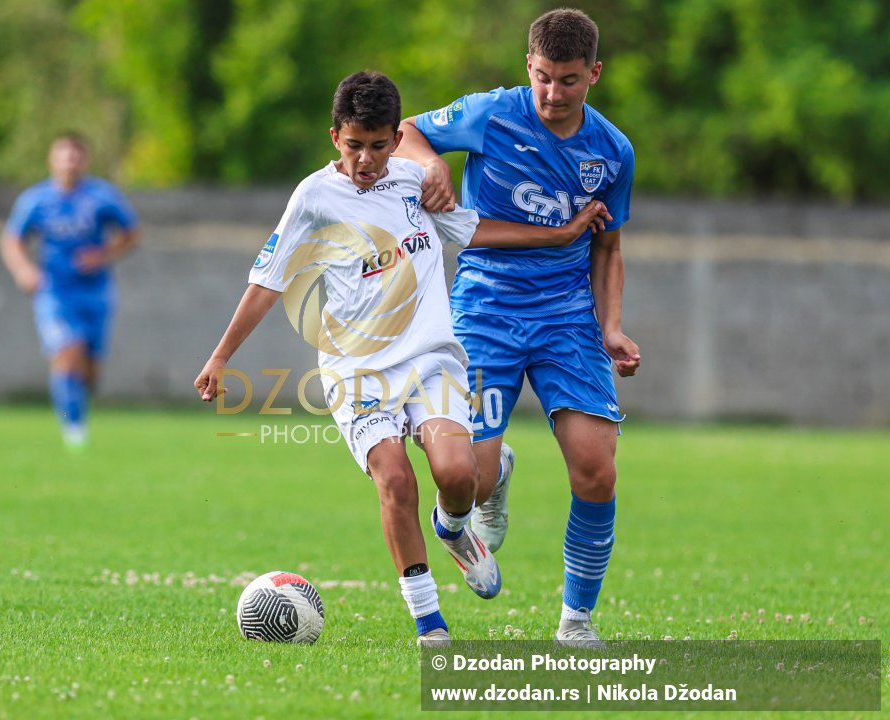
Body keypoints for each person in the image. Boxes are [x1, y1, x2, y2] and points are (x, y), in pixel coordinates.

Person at [194, 71, 611, 647]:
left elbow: (473, 231)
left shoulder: (417, 183)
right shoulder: (313, 198)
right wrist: (221, 357)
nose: (366, 159)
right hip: (356, 371)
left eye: (378, 145)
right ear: (334, 137)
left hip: (430, 361)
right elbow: (268, 281)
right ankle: (429, 624)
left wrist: (560, 235)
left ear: (396, 138)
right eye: (353, 144)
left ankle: (454, 526)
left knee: (458, 476)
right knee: (395, 478)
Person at [394, 8, 641, 649]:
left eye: (568, 80)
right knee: (465, 478)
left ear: (594, 74)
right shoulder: (492, 112)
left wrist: (611, 327)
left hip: (566, 316)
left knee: (597, 470)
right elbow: (406, 131)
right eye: (541, 78)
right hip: (486, 306)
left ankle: (576, 622)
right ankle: (489, 480)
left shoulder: (612, 152)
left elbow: (608, 248)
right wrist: (433, 165)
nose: (553, 95)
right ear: (526, 68)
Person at [0, 132, 140, 449]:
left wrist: (103, 255)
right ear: (52, 158)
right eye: (63, 154)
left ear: (85, 160)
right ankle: (74, 431)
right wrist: (23, 269)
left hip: (96, 292)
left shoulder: (102, 197)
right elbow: (11, 240)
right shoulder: (35, 200)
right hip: (55, 292)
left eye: (76, 155)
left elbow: (132, 233)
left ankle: (78, 409)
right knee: (68, 352)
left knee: (90, 367)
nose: (69, 160)